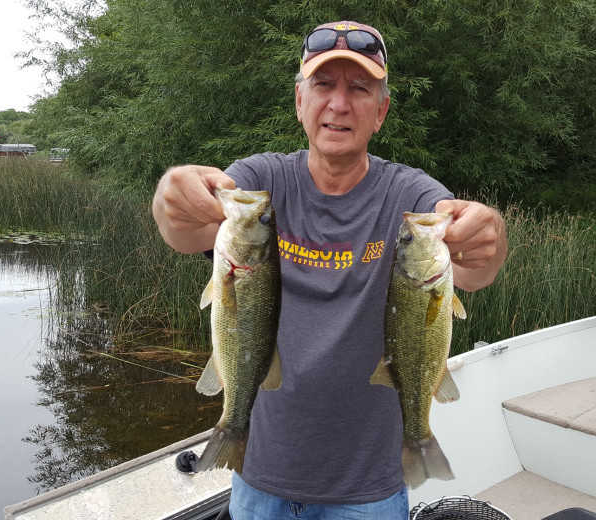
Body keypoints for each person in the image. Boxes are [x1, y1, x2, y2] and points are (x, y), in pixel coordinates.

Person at [152, 20, 508, 520]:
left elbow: (475, 270)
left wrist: (485, 235)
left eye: (359, 89)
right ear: (300, 101)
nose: (338, 104)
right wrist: (173, 195)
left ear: (380, 111)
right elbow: (184, 232)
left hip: (369, 490)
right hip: (259, 476)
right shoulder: (262, 180)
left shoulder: (409, 196)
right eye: (323, 85)